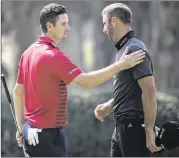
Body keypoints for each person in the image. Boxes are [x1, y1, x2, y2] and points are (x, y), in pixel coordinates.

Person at [13, 3, 146, 157]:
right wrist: (120, 65)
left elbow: (18, 92)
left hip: (31, 133)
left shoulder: (28, 53)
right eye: (63, 24)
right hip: (47, 136)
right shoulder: (52, 56)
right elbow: (86, 81)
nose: (68, 28)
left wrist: (21, 127)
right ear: (50, 26)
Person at [94, 3, 162, 157]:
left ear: (114, 21)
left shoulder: (135, 49)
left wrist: (149, 129)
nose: (104, 29)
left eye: (105, 23)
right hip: (121, 128)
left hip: (133, 128)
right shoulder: (123, 51)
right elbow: (131, 88)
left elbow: (149, 89)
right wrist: (110, 105)